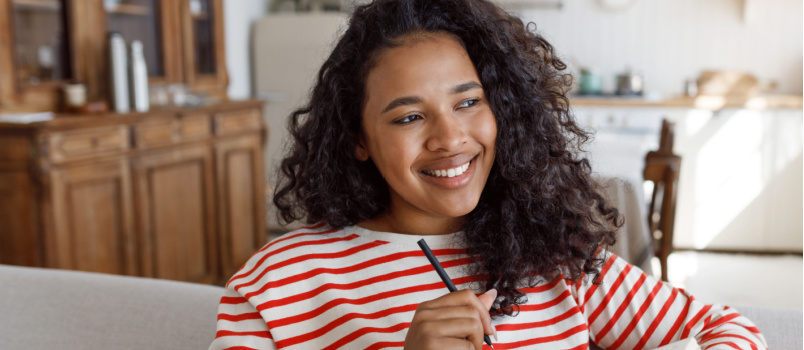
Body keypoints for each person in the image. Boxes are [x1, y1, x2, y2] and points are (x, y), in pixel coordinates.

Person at [210, 0, 767, 349]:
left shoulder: (555, 257)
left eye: (469, 102)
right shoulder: (279, 282)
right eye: (408, 115)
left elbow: (735, 332)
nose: (450, 138)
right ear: (357, 138)